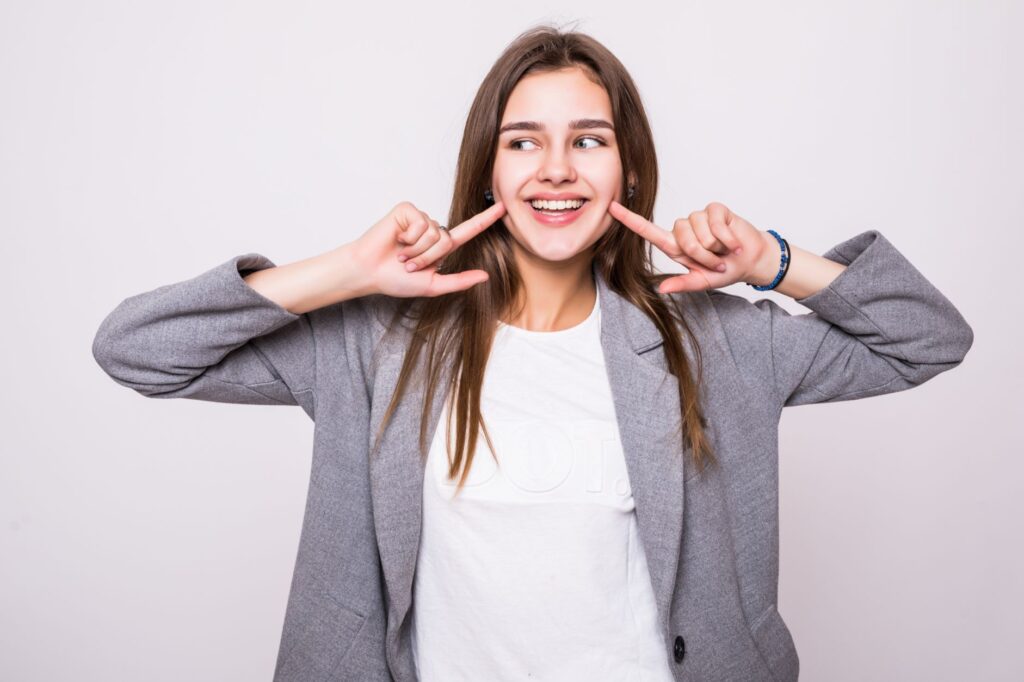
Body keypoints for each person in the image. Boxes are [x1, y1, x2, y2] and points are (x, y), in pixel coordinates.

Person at [92, 25, 974, 682]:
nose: (556, 169)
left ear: (627, 171)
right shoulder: (375, 341)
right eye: (525, 142)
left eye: (588, 140)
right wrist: (345, 271)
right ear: (489, 170)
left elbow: (928, 339)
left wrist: (773, 263)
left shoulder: (717, 343)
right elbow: (137, 350)